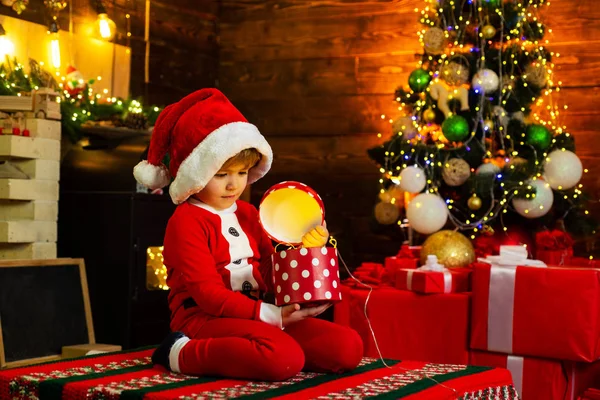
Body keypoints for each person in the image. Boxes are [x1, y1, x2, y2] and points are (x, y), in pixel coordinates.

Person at [133, 88, 363, 381]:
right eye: (221, 175)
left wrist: (306, 259)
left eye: (242, 173)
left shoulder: (248, 213)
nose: (234, 185)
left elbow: (268, 271)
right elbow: (207, 295)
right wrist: (273, 317)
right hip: (204, 318)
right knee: (283, 359)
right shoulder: (187, 221)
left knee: (347, 348)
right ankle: (178, 353)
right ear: (195, 174)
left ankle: (259, 345)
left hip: (256, 315)